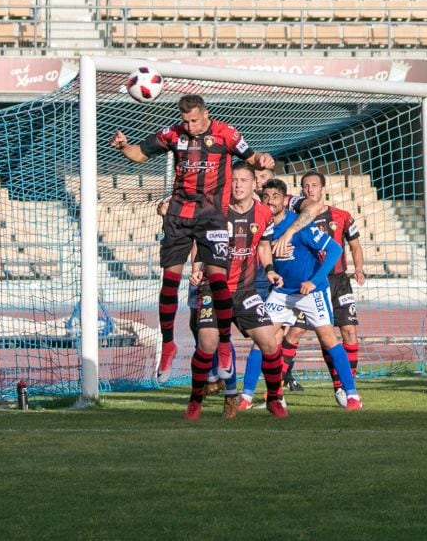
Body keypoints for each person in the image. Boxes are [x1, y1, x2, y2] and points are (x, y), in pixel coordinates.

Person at [111, 95, 275, 383]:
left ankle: (224, 344)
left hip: (212, 217)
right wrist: (124, 146)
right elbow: (138, 154)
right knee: (169, 284)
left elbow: (253, 159)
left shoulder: (226, 134)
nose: (190, 125)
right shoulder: (173, 135)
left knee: (218, 281)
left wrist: (262, 159)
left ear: (205, 114)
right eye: (185, 120)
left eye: (195, 120)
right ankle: (168, 345)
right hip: (179, 215)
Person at [184, 163, 288, 420]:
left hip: (245, 291)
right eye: (235, 180)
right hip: (213, 287)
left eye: (244, 180)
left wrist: (271, 269)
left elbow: (264, 246)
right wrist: (197, 268)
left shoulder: (263, 214)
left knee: (270, 343)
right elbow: (200, 245)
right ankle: (195, 400)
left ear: (255, 184)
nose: (239, 184)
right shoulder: (214, 211)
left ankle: (274, 399)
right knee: (207, 344)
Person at [260, 178, 363, 410]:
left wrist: (358, 269)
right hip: (291, 287)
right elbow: (261, 246)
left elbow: (348, 246)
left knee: (342, 332)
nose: (310, 189)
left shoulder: (337, 214)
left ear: (322, 189)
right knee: (285, 336)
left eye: (314, 185)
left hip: (331, 281)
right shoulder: (269, 216)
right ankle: (269, 394)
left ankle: (347, 390)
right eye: (306, 185)